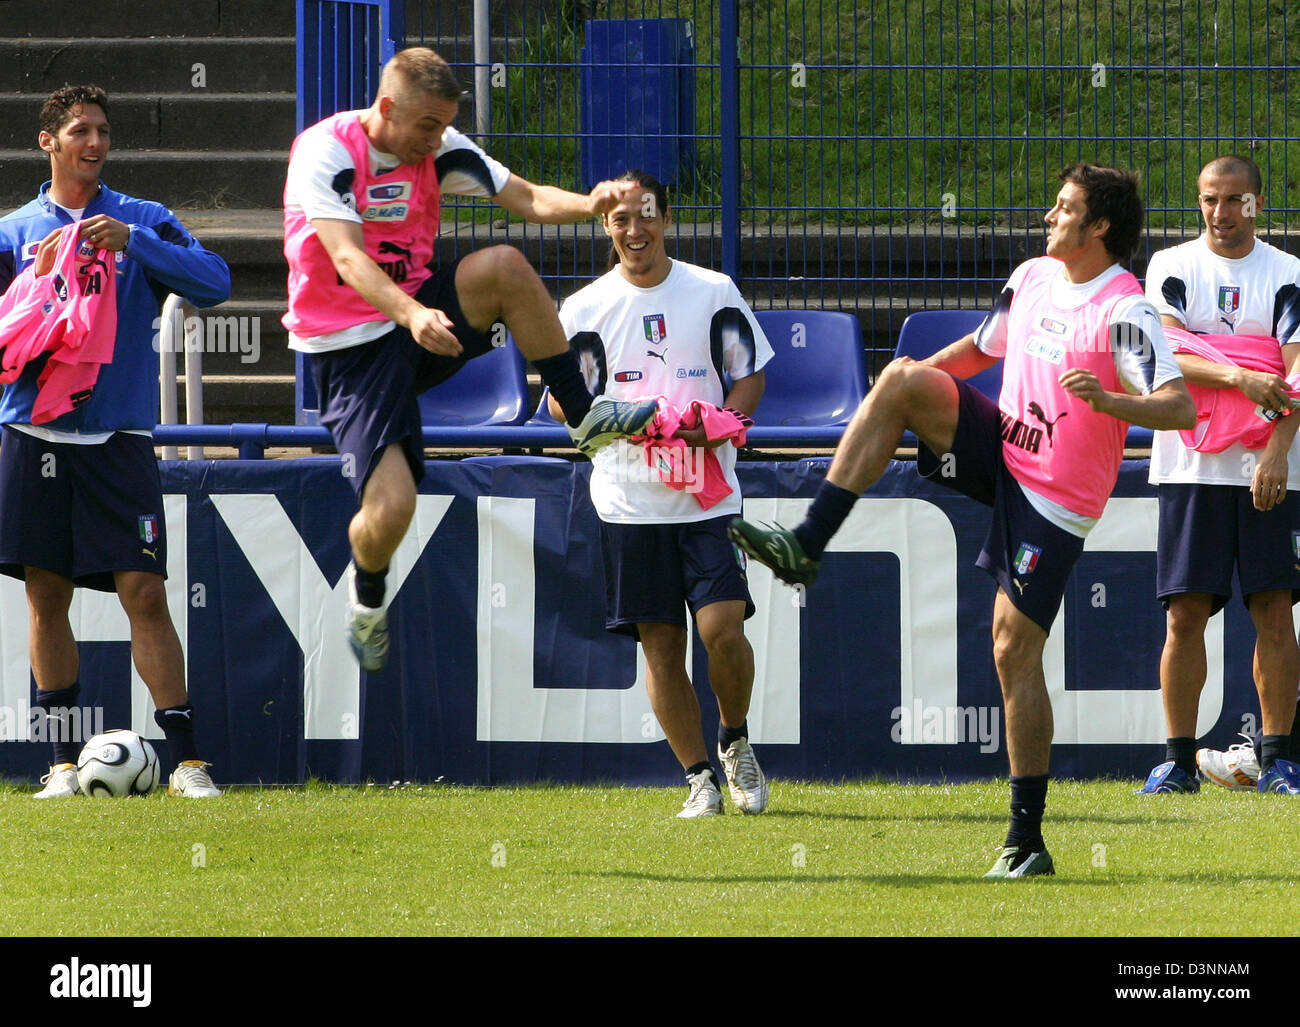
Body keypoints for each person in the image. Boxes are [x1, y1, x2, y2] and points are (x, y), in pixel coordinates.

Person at [730, 164, 1195, 876]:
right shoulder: (1036, 276)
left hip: (1057, 498)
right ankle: (806, 542)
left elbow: (1177, 406)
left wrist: (1109, 401)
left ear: (1099, 227)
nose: (1049, 215)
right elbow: (983, 349)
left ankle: (1026, 839)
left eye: (1064, 207)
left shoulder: (1123, 310)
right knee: (899, 379)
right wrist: (913, 384)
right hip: (1005, 449)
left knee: (1011, 650)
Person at [283, 47, 658, 672]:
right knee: (392, 509)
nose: (436, 141)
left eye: (443, 126)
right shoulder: (326, 152)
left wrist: (590, 204)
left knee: (506, 267)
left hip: (419, 316)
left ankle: (584, 414)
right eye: (426, 126)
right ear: (386, 107)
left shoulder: (438, 146)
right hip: (350, 348)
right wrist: (410, 314)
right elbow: (348, 261)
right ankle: (367, 592)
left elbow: (530, 198)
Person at [0, 85, 231, 798]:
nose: (94, 143)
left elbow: (216, 280)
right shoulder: (14, 231)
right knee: (46, 596)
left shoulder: (142, 218)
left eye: (103, 131)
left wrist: (136, 243)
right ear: (49, 142)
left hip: (119, 437)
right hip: (31, 430)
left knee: (145, 591)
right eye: (80, 131)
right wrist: (34, 287)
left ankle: (189, 763)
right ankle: (62, 765)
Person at [549, 171, 773, 816]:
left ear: (667, 218)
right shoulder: (584, 308)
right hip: (627, 500)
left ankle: (734, 738)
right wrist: (623, 421)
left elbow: (746, 376)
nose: (634, 230)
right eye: (620, 220)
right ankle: (699, 778)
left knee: (722, 629)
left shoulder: (712, 291)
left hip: (708, 497)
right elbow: (569, 408)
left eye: (645, 216)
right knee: (661, 645)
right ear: (606, 228)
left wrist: (725, 424)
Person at [1138, 154, 1300, 796]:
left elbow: (1295, 370)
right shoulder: (1171, 267)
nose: (1221, 212)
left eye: (1235, 200)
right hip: (1190, 463)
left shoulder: (1289, 273)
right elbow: (1168, 352)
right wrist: (1242, 370)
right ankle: (1178, 760)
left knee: (1274, 610)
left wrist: (1277, 450)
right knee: (1185, 614)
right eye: (1210, 199)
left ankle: (1279, 758)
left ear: (1258, 203)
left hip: (1275, 465)